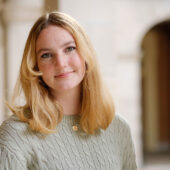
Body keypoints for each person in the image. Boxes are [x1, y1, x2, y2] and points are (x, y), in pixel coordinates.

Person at [0, 11, 137, 170]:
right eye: (46, 55)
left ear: (86, 54)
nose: (61, 63)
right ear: (35, 65)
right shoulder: (15, 135)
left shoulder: (118, 128)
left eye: (70, 48)